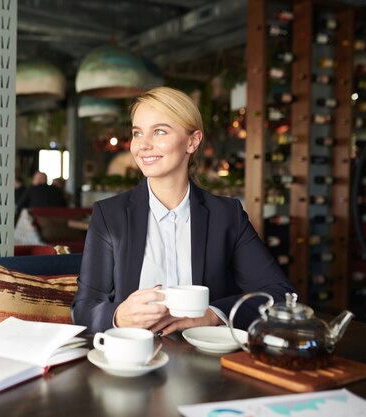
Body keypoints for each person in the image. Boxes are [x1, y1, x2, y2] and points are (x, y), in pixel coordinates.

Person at [72, 86, 296, 335]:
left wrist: (213, 315)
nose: (142, 145)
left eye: (158, 131)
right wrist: (118, 316)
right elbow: (83, 309)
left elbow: (280, 294)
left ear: (192, 141)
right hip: (133, 361)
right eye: (137, 133)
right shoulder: (108, 215)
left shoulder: (226, 215)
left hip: (208, 362)